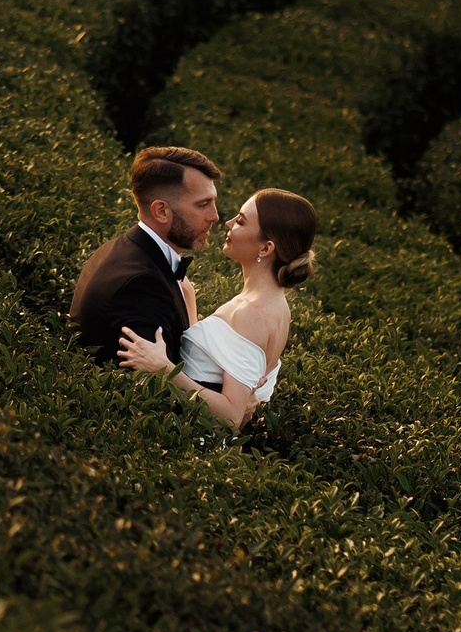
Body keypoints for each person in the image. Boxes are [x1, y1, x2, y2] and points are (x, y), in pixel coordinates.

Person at [117, 188, 317, 431]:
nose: (228, 223)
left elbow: (230, 417)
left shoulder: (252, 313)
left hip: (192, 447)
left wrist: (163, 368)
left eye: (241, 221)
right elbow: (214, 368)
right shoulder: (276, 304)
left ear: (266, 249)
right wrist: (188, 300)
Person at [70, 145, 223, 366]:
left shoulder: (114, 250)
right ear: (161, 211)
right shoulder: (141, 285)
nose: (215, 216)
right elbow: (156, 389)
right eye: (203, 204)